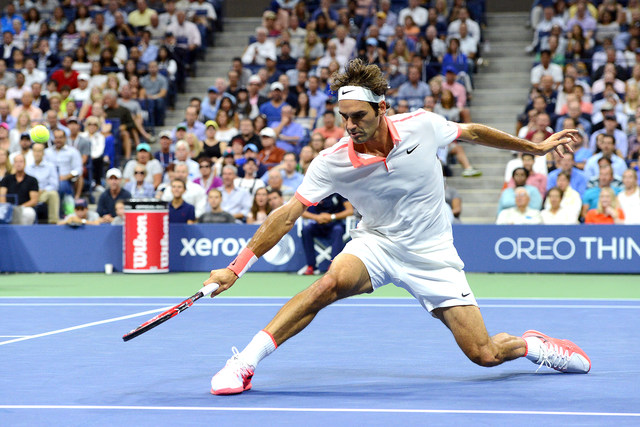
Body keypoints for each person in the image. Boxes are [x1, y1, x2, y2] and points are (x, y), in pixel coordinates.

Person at [205, 59, 590, 396]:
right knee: (327, 285)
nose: (350, 125)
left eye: (359, 116)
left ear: (381, 108)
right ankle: (245, 362)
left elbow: (472, 132)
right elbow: (288, 214)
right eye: (344, 117)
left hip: (432, 254)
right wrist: (236, 268)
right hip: (377, 242)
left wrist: (534, 148)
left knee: (484, 354)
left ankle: (533, 346)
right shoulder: (332, 161)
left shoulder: (422, 126)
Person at [299, 193, 354, 275]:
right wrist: (316, 217)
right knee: (306, 230)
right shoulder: (316, 191)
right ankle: (311, 266)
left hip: (335, 224)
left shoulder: (340, 192)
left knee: (337, 230)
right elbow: (301, 212)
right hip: (318, 223)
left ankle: (333, 265)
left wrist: (331, 217)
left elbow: (350, 211)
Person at [26, 142, 59, 224]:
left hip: (44, 194)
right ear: (32, 152)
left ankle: (53, 223)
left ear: (43, 153)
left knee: (53, 194)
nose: (37, 153)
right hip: (30, 195)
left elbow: (54, 185)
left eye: (39, 151)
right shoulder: (28, 167)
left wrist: (43, 190)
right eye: (35, 151)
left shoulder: (50, 166)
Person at [0, 153, 38, 224]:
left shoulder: (32, 180)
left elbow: (34, 200)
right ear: (13, 164)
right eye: (16, 162)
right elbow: (2, 196)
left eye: (21, 161)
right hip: (7, 208)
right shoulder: (6, 179)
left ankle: (24, 233)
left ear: (25, 163)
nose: (18, 164)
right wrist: (8, 208)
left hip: (24, 208)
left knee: (30, 213)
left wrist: (19, 208)